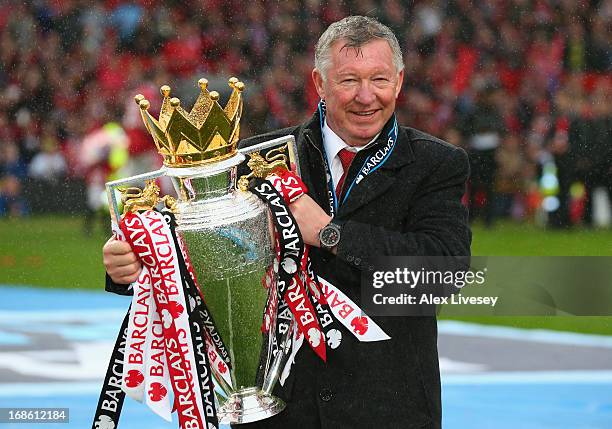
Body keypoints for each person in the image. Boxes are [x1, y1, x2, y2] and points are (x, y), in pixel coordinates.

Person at [103, 16, 471, 429]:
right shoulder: (253, 162)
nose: (366, 96)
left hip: (389, 407)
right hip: (280, 407)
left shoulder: (435, 164)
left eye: (380, 80)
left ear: (399, 82)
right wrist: (134, 268)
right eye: (349, 80)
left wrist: (333, 235)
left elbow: (444, 274)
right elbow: (203, 262)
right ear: (320, 83)